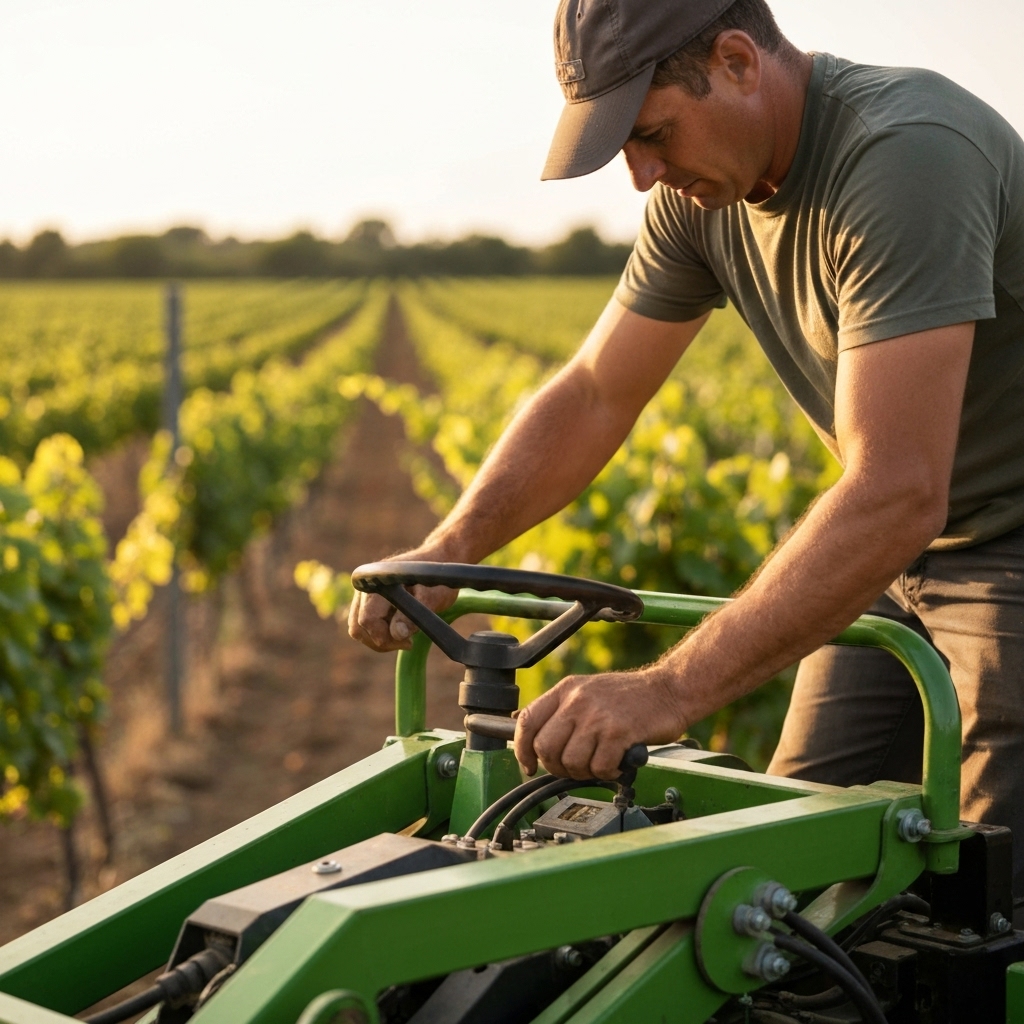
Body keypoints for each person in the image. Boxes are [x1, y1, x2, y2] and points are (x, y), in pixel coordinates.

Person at [350, 0, 1024, 891]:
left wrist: (665, 690)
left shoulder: (906, 156)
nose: (641, 176)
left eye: (653, 132)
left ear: (739, 61)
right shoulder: (702, 195)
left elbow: (897, 487)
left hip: (1002, 547)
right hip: (904, 556)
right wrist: (454, 549)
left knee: (984, 889)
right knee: (798, 864)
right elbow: (596, 393)